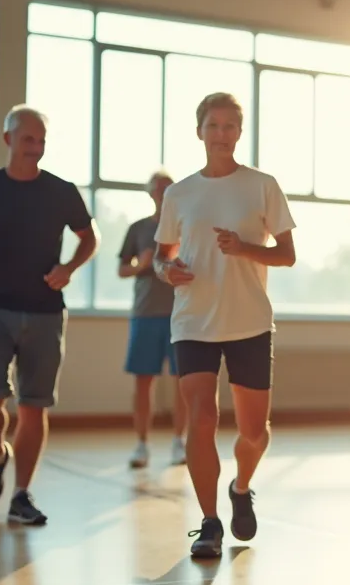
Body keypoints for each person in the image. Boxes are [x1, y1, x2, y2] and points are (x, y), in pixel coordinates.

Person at [153, 92, 296, 559]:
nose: (221, 134)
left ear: (239, 131)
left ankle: (241, 486)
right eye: (212, 126)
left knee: (255, 432)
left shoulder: (262, 186)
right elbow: (162, 255)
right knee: (202, 417)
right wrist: (165, 271)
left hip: (249, 321)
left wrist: (245, 248)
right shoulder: (179, 194)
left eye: (230, 126)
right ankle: (210, 522)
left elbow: (287, 254)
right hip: (193, 319)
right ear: (199, 131)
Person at [0, 104, 100, 526]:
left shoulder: (62, 191)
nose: (35, 147)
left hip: (46, 313)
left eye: (41, 140)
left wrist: (69, 268)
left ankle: (21, 494)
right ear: (8, 139)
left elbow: (91, 236)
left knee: (34, 407)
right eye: (28, 139)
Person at [118, 170, 187, 469]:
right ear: (150, 193)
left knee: (182, 383)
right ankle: (142, 445)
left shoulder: (186, 227)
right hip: (145, 315)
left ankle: (178, 442)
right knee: (143, 383)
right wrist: (141, 265)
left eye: (167, 188)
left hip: (180, 316)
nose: (162, 193)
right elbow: (122, 269)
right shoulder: (138, 229)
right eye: (158, 189)